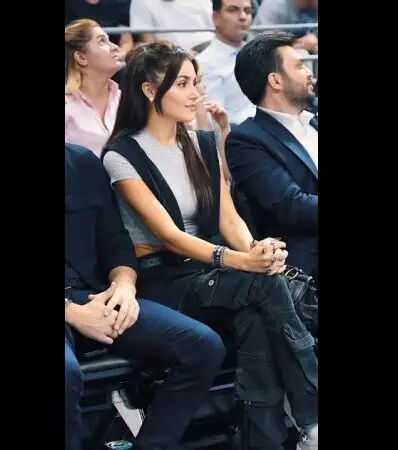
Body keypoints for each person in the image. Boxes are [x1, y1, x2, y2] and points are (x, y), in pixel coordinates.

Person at [101, 41, 318, 450]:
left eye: (196, 82)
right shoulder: (121, 154)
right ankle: (312, 418)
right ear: (150, 91)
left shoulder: (201, 143)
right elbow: (169, 235)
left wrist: (258, 251)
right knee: (266, 286)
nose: (195, 93)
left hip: (211, 273)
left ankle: (264, 441)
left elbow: (228, 218)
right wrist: (241, 261)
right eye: (183, 84)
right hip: (162, 279)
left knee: (256, 320)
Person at [65, 59, 226, 448]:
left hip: (100, 296)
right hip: (72, 308)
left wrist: (124, 283)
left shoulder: (82, 162)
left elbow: (115, 241)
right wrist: (72, 312)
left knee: (202, 345)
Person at [226, 31, 319, 282]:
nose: (309, 72)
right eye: (299, 66)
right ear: (276, 81)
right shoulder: (246, 140)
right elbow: (291, 206)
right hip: (306, 266)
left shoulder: (314, 120)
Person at [65, 19, 126, 157]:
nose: (115, 47)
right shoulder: (67, 106)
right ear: (81, 57)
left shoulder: (124, 99)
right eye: (102, 41)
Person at [195, 0, 257, 126]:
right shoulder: (204, 63)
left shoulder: (258, 53)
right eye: (233, 10)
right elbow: (214, 120)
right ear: (215, 18)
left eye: (247, 11)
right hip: (237, 132)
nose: (243, 17)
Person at [129, 0, 215, 52]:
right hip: (178, 56)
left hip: (212, 47)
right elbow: (149, 44)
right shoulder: (141, 2)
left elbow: (216, 27)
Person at [65, 0, 134, 55]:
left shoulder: (120, 3)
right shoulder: (68, 4)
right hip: (76, 57)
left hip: (112, 57)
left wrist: (120, 54)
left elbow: (127, 41)